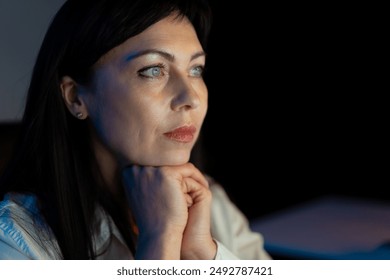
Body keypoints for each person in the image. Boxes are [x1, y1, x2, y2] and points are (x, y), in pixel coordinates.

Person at [0, 0, 271, 260]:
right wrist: (159, 240)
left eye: (196, 69)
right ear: (75, 97)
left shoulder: (209, 200)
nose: (191, 97)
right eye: (154, 70)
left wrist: (204, 254)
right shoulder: (15, 239)